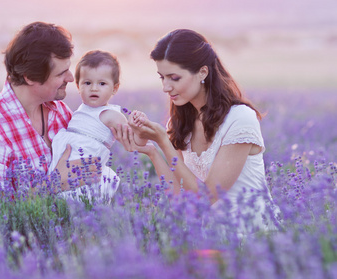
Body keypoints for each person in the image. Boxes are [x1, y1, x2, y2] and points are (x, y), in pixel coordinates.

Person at [114, 29, 280, 234]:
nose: (166, 87)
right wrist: (152, 150)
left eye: (174, 78)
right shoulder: (182, 123)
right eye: (162, 77)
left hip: (253, 238)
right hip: (209, 237)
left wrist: (164, 142)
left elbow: (206, 197)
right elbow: (180, 196)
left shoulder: (240, 119)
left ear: (202, 72)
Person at [0, 21, 75, 186]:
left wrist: (118, 124)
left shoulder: (61, 112)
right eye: (61, 73)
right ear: (30, 77)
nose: (71, 78)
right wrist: (55, 182)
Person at [48, 50, 147, 200]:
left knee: (76, 199)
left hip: (84, 166)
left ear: (114, 88)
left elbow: (134, 143)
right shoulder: (80, 109)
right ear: (78, 85)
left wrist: (139, 127)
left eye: (102, 83)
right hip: (64, 162)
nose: (94, 88)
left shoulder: (111, 115)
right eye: (87, 83)